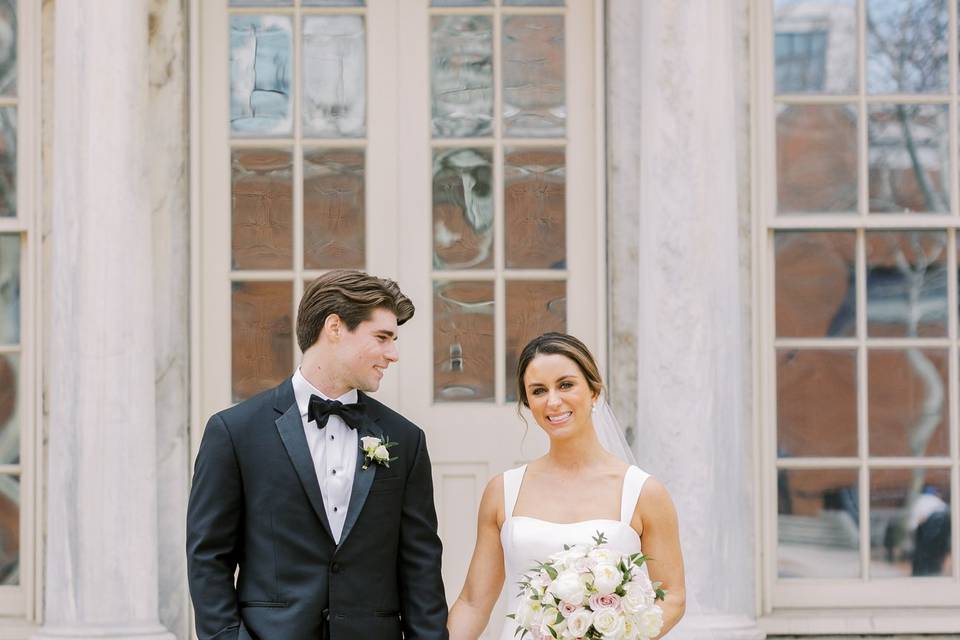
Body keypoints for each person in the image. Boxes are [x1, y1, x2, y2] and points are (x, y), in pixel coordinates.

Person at [187, 270, 448, 640]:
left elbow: (421, 567)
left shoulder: (405, 439)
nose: (393, 354)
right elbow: (208, 557)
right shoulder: (234, 432)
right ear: (335, 327)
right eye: (382, 337)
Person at [447, 333, 685, 640]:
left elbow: (672, 597)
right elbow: (473, 603)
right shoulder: (503, 491)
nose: (553, 401)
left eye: (566, 385)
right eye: (538, 391)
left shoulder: (644, 492)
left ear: (595, 391)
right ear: (528, 403)